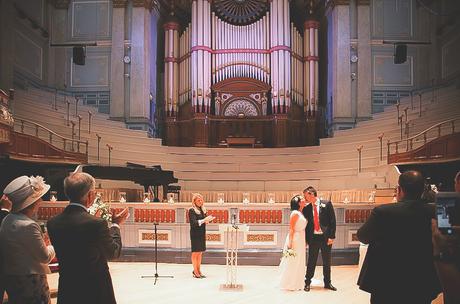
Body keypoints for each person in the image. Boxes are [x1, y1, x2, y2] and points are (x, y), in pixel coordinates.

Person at [357, 171, 441, 304]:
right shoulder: (435, 211)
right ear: (422, 190)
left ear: (399, 189)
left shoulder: (382, 212)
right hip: (422, 279)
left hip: (385, 280)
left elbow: (362, 236)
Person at [47, 172, 129, 304]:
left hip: (68, 289)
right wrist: (115, 224)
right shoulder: (96, 224)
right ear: (90, 195)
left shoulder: (53, 223)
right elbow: (113, 253)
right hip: (95, 291)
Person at [0, 175, 56, 304]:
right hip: (31, 281)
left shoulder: (7, 219)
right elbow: (45, 257)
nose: (41, 200)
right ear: (32, 203)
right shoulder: (29, 225)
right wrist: (54, 245)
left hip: (13, 278)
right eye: (38, 198)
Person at [303, 186, 337, 291]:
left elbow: (333, 221)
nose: (305, 198)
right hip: (313, 238)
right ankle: (307, 282)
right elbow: (305, 224)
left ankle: (327, 283)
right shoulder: (307, 208)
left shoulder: (327, 204)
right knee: (311, 261)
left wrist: (332, 236)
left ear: (312, 194)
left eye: (306, 196)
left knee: (327, 261)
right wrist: (306, 239)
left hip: (325, 238)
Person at [279, 195, 308, 290]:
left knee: (299, 260)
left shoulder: (301, 213)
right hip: (295, 238)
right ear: (299, 203)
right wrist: (290, 243)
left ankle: (297, 281)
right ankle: (290, 282)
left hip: (301, 238)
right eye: (302, 199)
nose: (304, 200)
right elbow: (291, 229)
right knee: (293, 260)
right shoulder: (295, 213)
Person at [188, 193, 214, 278]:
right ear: (194, 201)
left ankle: (199, 270)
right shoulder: (191, 210)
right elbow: (194, 223)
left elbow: (203, 220)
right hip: (195, 233)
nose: (200, 201)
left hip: (201, 233)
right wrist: (204, 220)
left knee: (200, 253)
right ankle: (195, 271)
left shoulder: (203, 210)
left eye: (201, 200)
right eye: (198, 200)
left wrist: (208, 220)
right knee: (195, 252)